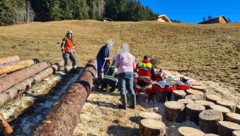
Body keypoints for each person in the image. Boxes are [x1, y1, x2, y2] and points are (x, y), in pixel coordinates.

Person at [114, 43, 136, 109]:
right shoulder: (132, 56)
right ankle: (133, 105)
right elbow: (134, 66)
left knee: (122, 88)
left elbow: (115, 65)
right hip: (130, 72)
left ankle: (124, 105)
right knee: (130, 88)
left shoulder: (119, 55)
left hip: (122, 72)